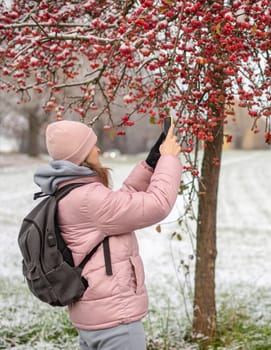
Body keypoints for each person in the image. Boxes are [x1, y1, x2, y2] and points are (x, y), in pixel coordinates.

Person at [33, 119, 182, 350]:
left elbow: (121, 203)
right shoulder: (88, 199)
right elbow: (157, 204)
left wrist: (151, 165)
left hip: (94, 316)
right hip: (116, 323)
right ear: (80, 154)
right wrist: (170, 159)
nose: (98, 149)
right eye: (92, 145)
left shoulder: (70, 191)